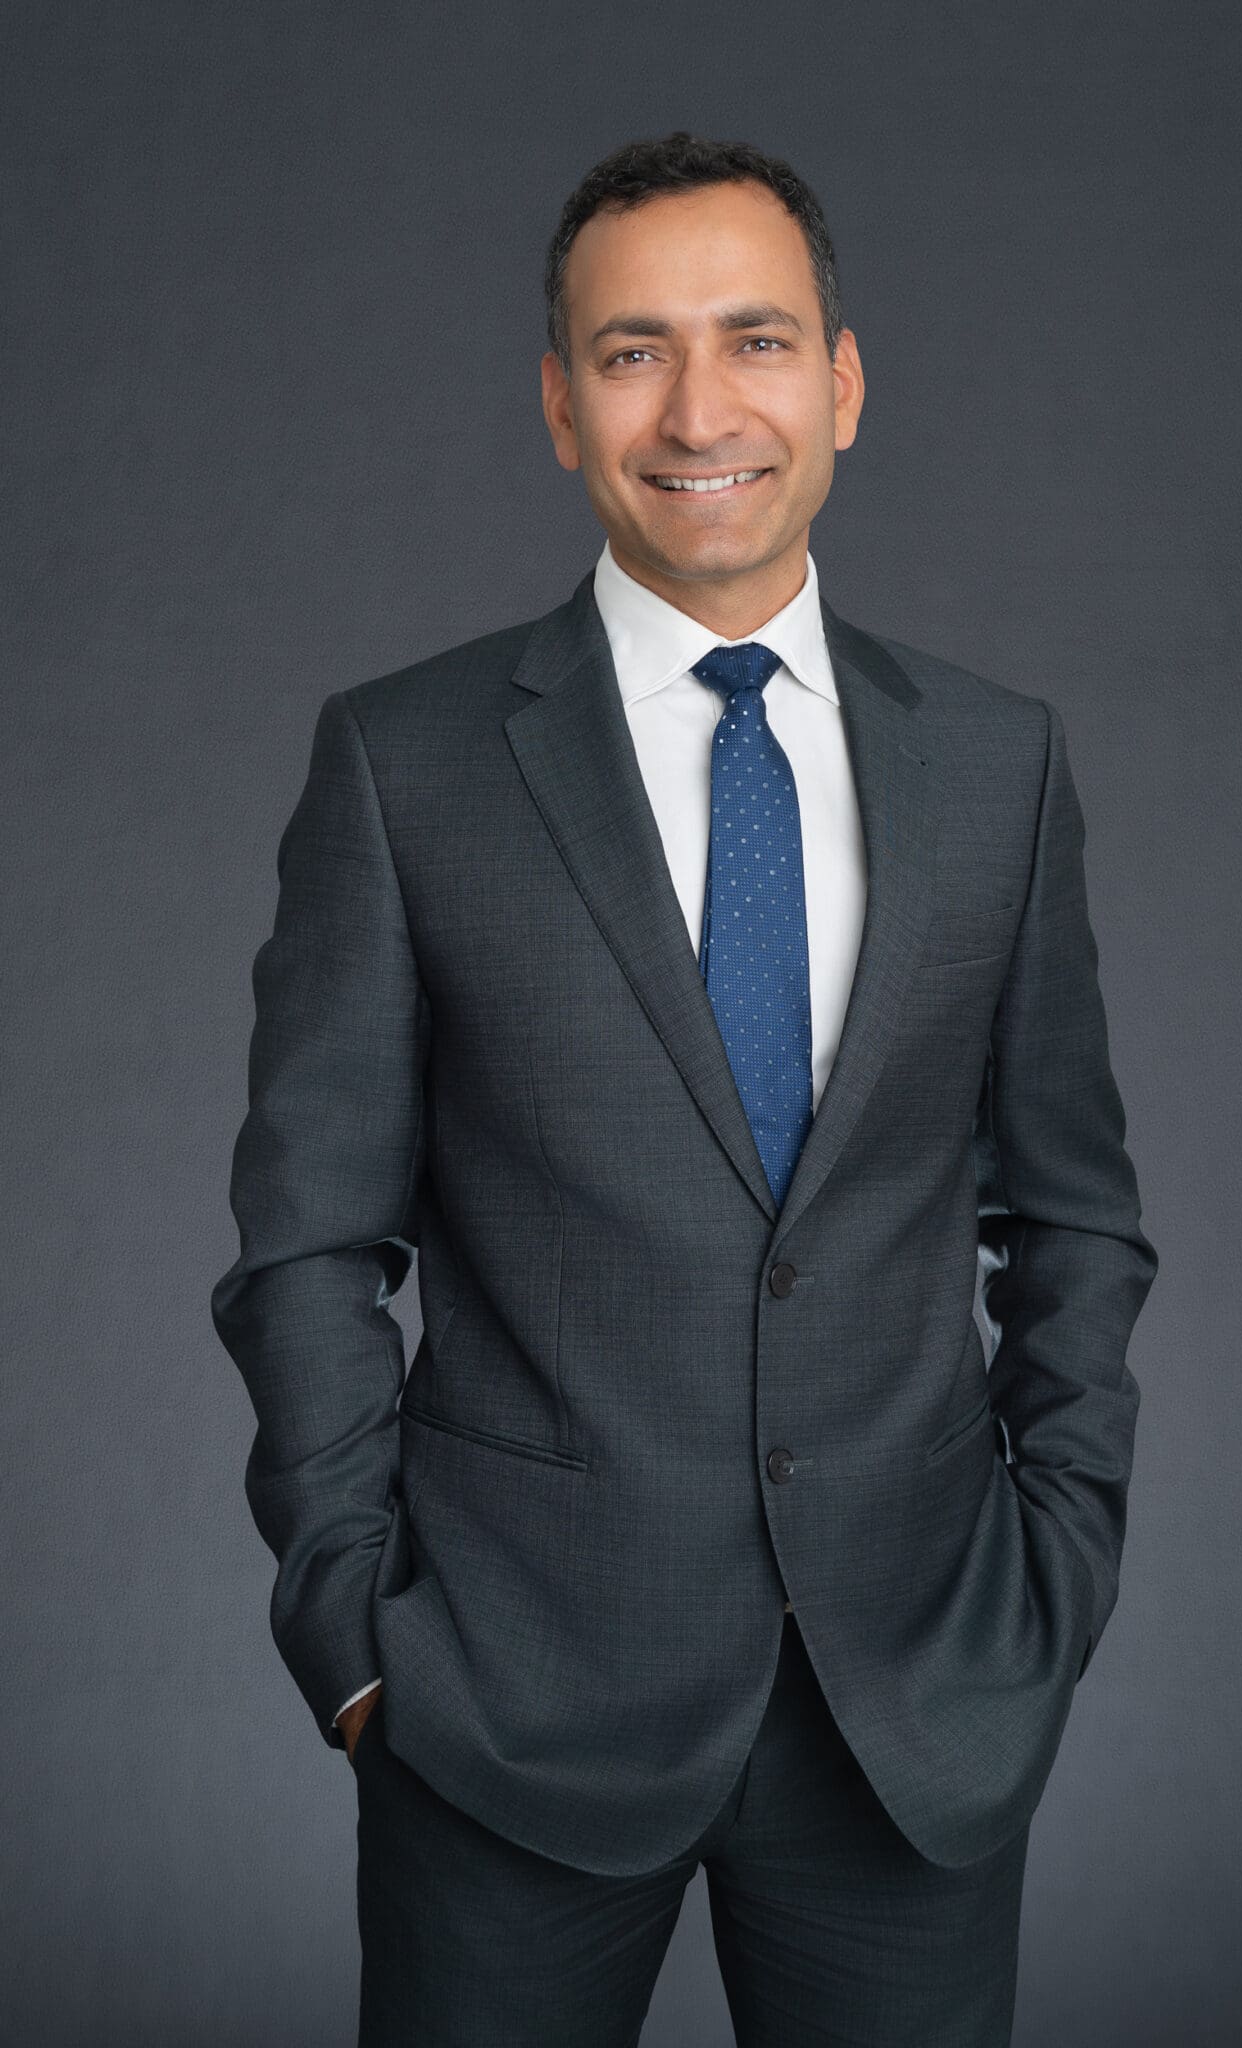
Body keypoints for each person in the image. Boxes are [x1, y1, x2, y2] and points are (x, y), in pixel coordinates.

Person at [211, 130, 1158, 2048]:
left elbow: (1070, 1214)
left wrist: (1054, 1568)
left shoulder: (997, 765)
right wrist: (354, 1635)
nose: (700, 405)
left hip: (916, 1695)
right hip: (506, 1704)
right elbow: (307, 1242)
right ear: (561, 407)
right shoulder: (407, 765)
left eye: (756, 339)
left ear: (844, 384)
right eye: (633, 351)